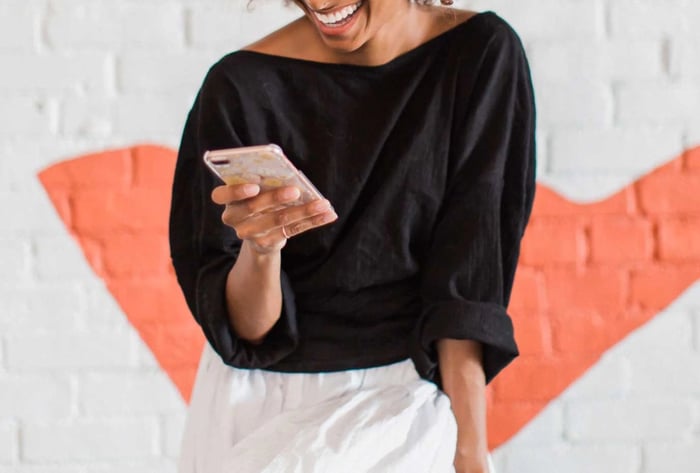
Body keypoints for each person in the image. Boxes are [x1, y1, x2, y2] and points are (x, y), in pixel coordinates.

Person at [169, 0, 536, 471]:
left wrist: (469, 447)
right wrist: (262, 250)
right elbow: (248, 333)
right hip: (260, 408)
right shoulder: (238, 87)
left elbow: (467, 281)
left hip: (404, 404)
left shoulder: (479, 55)